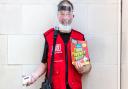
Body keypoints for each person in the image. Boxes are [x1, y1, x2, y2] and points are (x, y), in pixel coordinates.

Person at [22, 0, 91, 89]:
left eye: (68, 14)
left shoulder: (79, 37)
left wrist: (83, 69)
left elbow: (88, 66)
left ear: (73, 15)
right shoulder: (49, 37)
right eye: (62, 14)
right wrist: (33, 77)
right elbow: (44, 63)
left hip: (74, 86)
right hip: (55, 86)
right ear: (58, 16)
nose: (65, 17)